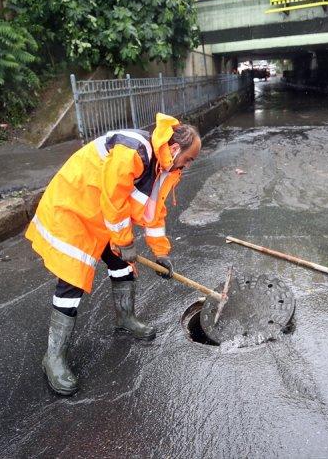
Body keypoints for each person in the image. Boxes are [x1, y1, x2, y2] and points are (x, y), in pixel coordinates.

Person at [26, 113, 201, 395]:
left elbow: (154, 211)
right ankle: (54, 357)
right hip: (76, 207)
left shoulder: (164, 168)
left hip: (104, 215)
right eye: (190, 158)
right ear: (175, 149)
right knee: (73, 280)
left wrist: (160, 253)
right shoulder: (133, 150)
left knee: (121, 263)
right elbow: (114, 198)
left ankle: (125, 318)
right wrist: (124, 239)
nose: (189, 165)